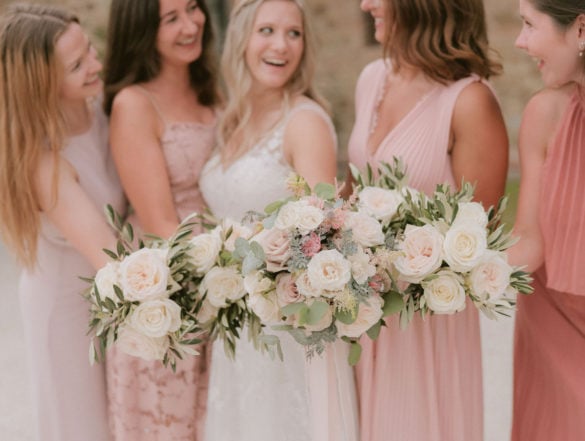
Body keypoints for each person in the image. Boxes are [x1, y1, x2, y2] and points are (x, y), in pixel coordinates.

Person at [347, 0, 509, 440]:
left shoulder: (469, 102)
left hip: (428, 328)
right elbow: (353, 196)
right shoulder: (371, 79)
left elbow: (477, 243)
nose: (366, 5)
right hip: (365, 316)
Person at [199, 0, 359, 440]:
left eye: (294, 33)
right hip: (237, 324)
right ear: (242, 39)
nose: (281, 45)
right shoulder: (232, 120)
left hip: (288, 328)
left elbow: (320, 239)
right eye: (266, 30)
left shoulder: (304, 122)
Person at [0, 4, 126, 441]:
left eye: (90, 50)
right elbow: (109, 254)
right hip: (68, 313)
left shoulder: (100, 110)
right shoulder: (42, 161)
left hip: (108, 300)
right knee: (82, 426)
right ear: (44, 86)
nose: (96, 65)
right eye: (77, 66)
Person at [102, 0, 220, 439]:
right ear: (142, 31)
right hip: (168, 288)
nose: (190, 25)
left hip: (218, 273)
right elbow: (160, 225)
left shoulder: (213, 88)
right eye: (170, 19)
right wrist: (230, 272)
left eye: (193, 8)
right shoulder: (134, 104)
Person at [508, 1, 585, 439]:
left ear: (579, 29)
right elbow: (529, 242)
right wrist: (432, 269)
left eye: (529, 25)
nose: (520, 41)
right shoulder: (545, 112)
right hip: (552, 334)